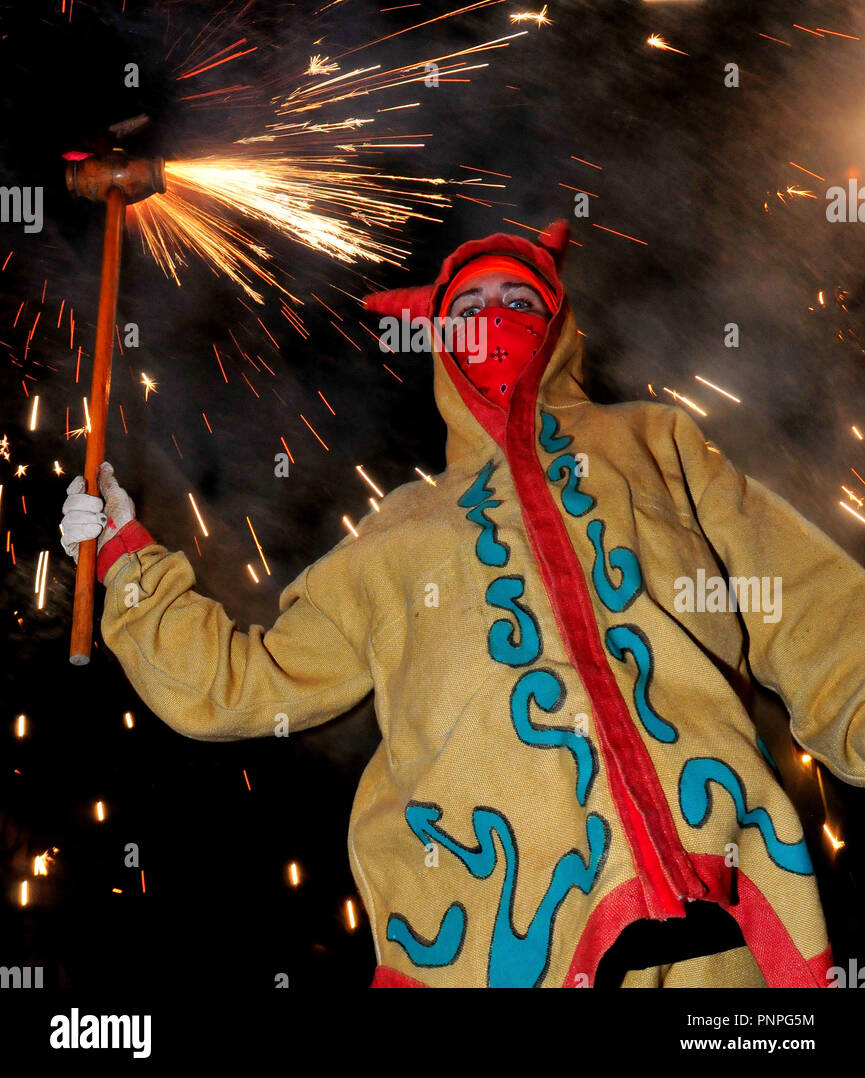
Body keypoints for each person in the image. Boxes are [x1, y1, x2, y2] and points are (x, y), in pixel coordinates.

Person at [59, 218, 865, 989]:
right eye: (468, 309)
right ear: (439, 341)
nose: (494, 319)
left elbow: (806, 604)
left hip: (723, 899)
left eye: (518, 301)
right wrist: (129, 559)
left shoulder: (657, 442)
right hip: (494, 933)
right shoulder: (397, 529)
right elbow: (243, 685)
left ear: (559, 325)